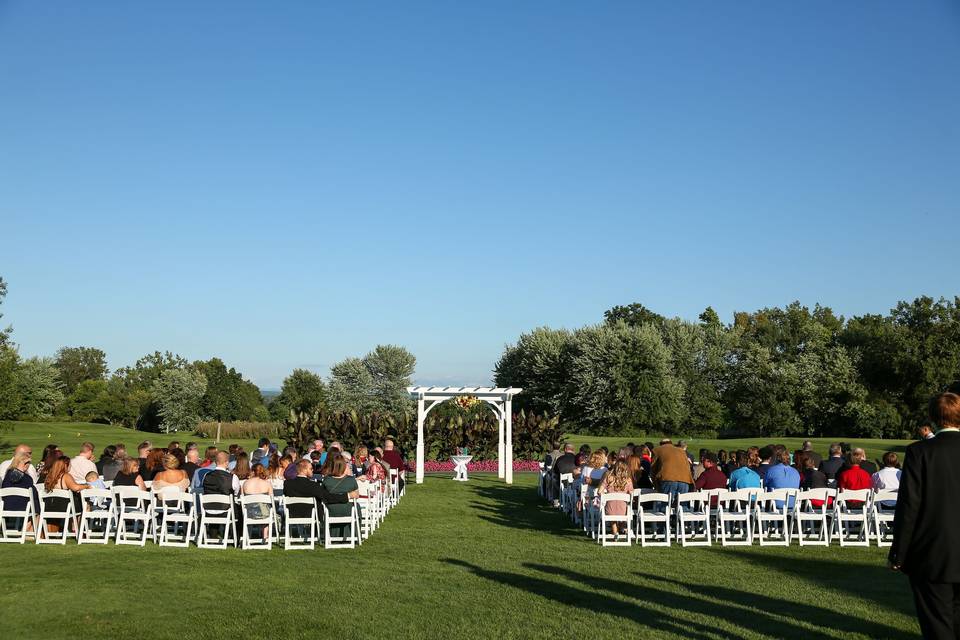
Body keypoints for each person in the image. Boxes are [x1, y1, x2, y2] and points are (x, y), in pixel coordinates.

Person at [890, 392, 960, 638]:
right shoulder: (920, 451)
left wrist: (899, 551)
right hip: (936, 550)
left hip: (932, 550)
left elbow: (910, 505)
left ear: (933, 418)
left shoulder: (920, 452)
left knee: (937, 624)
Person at [42, 457, 89, 532]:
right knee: (85, 504)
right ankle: (78, 530)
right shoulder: (66, 476)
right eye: (70, 464)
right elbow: (75, 487)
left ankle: (72, 528)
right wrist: (87, 486)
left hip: (49, 506)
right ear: (66, 465)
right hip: (64, 507)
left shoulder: (49, 476)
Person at [322, 456, 359, 539]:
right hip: (348, 510)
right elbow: (356, 495)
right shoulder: (351, 480)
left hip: (331, 511)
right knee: (357, 507)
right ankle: (355, 535)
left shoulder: (326, 480)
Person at [1, 450, 39, 530]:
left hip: (6, 506)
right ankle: (28, 530)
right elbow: (34, 493)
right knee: (37, 504)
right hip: (23, 507)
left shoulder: (7, 475)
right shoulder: (27, 478)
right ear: (21, 463)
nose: (29, 465)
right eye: (27, 463)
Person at [597, 460, 633, 538]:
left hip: (610, 510)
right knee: (625, 506)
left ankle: (615, 531)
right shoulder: (628, 480)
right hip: (623, 511)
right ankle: (622, 527)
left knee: (611, 507)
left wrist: (606, 495)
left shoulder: (608, 477)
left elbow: (599, 491)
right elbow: (631, 494)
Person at [241, 464, 274, 541]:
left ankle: (248, 537)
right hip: (264, 514)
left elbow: (242, 499)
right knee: (266, 509)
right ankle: (265, 537)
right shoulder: (267, 484)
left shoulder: (245, 483)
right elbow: (271, 500)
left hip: (249, 513)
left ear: (252, 471)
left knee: (262, 509)